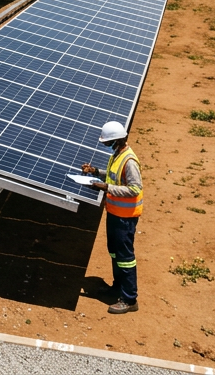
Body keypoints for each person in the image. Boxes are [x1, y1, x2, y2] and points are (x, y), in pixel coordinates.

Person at [82, 120, 143, 314]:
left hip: (125, 217)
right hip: (115, 213)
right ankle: (118, 287)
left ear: (116, 140)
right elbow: (112, 176)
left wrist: (106, 188)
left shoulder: (129, 161)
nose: (105, 145)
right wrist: (96, 173)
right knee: (115, 253)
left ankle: (130, 299)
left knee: (125, 258)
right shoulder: (117, 155)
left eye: (107, 142)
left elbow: (134, 189)